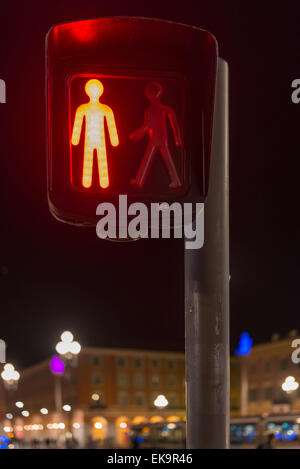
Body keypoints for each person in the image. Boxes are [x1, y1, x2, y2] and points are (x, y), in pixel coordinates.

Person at [130, 81, 182, 189]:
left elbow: (174, 125)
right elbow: (147, 126)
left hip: (160, 138)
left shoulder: (163, 110)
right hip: (155, 138)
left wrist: (178, 139)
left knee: (156, 157)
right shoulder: (150, 111)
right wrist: (137, 134)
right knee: (151, 157)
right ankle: (139, 181)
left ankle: (140, 180)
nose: (152, 96)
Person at [72, 79, 119, 189]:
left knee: (102, 161)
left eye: (96, 90)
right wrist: (75, 139)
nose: (94, 92)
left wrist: (114, 139)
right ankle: (87, 183)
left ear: (100, 91)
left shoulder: (106, 109)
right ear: (87, 91)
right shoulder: (82, 108)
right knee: (87, 162)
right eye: (92, 90)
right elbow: (77, 124)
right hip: (88, 140)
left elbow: (111, 124)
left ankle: (103, 182)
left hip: (101, 140)